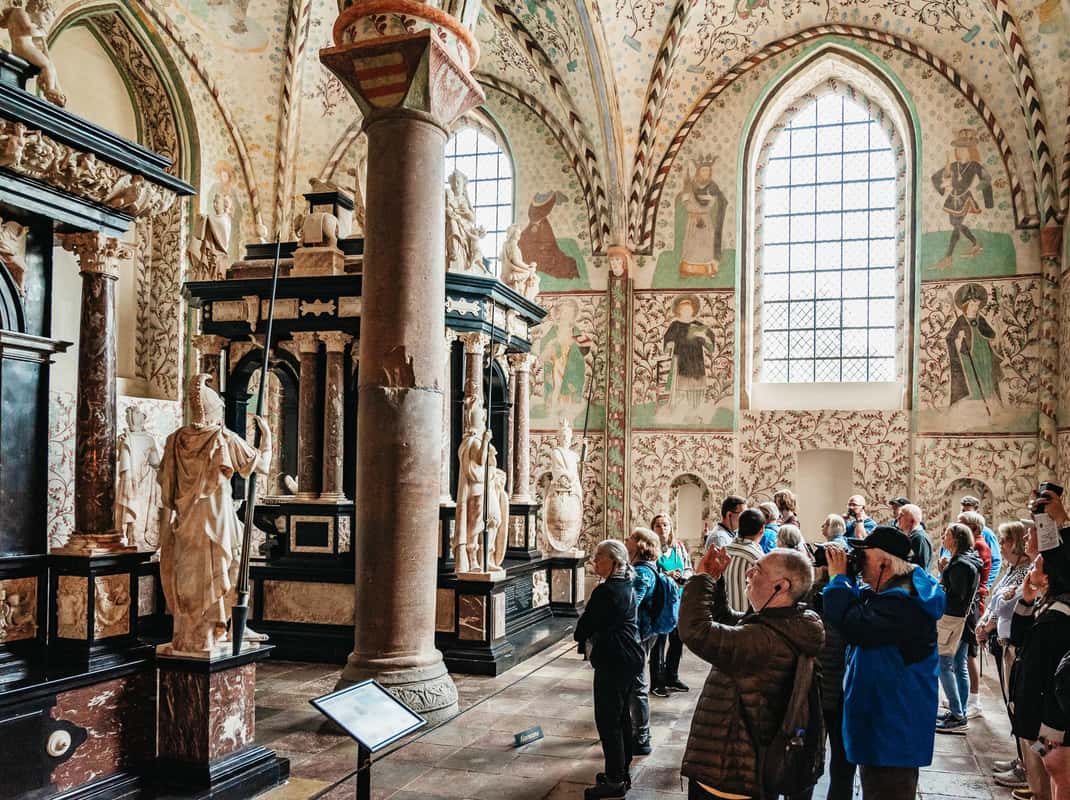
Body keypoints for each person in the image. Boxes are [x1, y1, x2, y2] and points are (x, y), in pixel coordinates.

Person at [679, 545, 823, 799]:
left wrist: (701, 579)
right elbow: (726, 621)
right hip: (743, 763)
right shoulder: (787, 621)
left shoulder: (763, 639)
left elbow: (697, 631)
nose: (748, 573)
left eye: (757, 570)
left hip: (731, 770)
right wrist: (717, 580)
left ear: (781, 586)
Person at [822, 526, 946, 799]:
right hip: (885, 724)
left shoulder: (905, 602)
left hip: (891, 735)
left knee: (886, 790)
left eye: (863, 557)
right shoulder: (899, 590)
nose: (859, 563)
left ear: (884, 563)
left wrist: (838, 580)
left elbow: (854, 625)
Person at [157, 374, 273, 655]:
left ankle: (194, 635)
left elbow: (167, 488)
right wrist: (267, 436)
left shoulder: (175, 440)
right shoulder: (223, 438)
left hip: (186, 521)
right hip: (217, 522)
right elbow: (263, 466)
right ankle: (219, 629)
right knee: (229, 570)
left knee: (191, 577)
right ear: (214, 410)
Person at [575, 539, 645, 800]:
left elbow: (584, 627)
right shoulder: (625, 584)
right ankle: (621, 771)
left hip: (614, 659)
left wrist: (583, 631)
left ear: (615, 561)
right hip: (630, 657)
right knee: (621, 717)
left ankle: (615, 780)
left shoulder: (606, 592)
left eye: (599, 557)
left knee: (608, 721)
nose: (595, 561)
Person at [977, 521, 1033, 790]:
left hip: (1013, 643)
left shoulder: (1026, 570)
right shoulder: (1013, 569)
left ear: (1015, 542)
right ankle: (1021, 759)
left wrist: (988, 623)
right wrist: (986, 620)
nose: (999, 544)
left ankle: (1026, 767)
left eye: (1002, 540)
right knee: (1010, 703)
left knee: (1016, 706)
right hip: (1002, 641)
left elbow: (1008, 604)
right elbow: (998, 599)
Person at [934, 523, 983, 734]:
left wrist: (941, 581)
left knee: (944, 664)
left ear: (954, 539)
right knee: (958, 664)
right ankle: (958, 710)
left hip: (952, 620)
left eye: (946, 534)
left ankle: (957, 714)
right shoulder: (968, 559)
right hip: (965, 619)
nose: (943, 537)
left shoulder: (960, 564)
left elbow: (955, 596)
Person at [931, 129, 993, 270]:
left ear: (970, 150)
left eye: (964, 149)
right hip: (952, 198)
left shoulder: (974, 165)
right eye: (959, 149)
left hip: (964, 198)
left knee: (957, 225)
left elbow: (987, 179)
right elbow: (936, 177)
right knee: (955, 225)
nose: (961, 151)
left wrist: (978, 189)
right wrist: (942, 185)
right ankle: (975, 244)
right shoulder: (954, 166)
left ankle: (948, 257)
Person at [627, 527, 663, 755]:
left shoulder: (643, 573)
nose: (626, 541)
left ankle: (642, 737)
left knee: (638, 686)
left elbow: (632, 604)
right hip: (643, 632)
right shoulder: (646, 569)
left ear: (640, 545)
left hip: (639, 634)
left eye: (630, 538)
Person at [650, 514, 692, 697]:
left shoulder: (679, 547)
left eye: (665, 525)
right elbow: (649, 572)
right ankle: (657, 682)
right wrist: (666, 574)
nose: (662, 528)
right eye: (658, 525)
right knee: (659, 642)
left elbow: (689, 567)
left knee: (677, 639)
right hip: (661, 599)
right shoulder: (651, 549)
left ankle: (671, 676)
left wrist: (683, 575)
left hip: (678, 598)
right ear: (653, 528)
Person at [957, 510, 993, 718]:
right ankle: (965, 697)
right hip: (972, 603)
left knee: (969, 655)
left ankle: (974, 700)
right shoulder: (973, 546)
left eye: (962, 524)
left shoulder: (978, 546)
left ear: (975, 529)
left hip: (972, 605)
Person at [946, 283, 1003, 408]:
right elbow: (950, 338)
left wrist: (996, 335)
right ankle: (975, 394)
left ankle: (987, 393)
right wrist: (959, 338)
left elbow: (990, 334)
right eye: (972, 304)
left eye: (977, 305)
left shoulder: (980, 319)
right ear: (966, 306)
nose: (975, 307)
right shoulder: (961, 320)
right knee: (972, 372)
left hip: (983, 352)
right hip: (968, 352)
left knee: (985, 371)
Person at [662, 296, 716, 410]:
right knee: (680, 388)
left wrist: (704, 337)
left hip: (696, 361)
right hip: (680, 360)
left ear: (693, 310)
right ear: (678, 311)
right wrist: (669, 344)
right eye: (683, 309)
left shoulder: (698, 325)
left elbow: (710, 345)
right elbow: (667, 342)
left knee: (696, 389)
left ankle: (695, 410)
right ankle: (680, 410)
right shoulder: (675, 325)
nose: (686, 311)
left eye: (688, 309)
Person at [677, 156, 726, 278]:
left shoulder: (713, 186)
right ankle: (688, 270)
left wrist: (709, 203)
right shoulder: (691, 185)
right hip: (693, 219)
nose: (706, 173)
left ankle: (708, 270)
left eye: (708, 171)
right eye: (703, 170)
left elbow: (716, 203)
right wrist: (692, 207)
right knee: (692, 245)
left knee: (706, 244)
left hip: (705, 219)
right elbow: (685, 201)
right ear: (698, 171)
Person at [723, 509, 766, 613]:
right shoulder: (757, 558)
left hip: (724, 619)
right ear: (762, 530)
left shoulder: (723, 552)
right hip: (748, 621)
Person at [960, 495, 1001, 589]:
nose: (965, 515)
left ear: (977, 512)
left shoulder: (987, 534)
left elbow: (996, 560)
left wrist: (985, 586)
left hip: (974, 587)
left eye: (968, 512)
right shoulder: (956, 530)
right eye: (963, 511)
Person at [896, 503, 933, 571]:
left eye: (901, 515)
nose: (898, 518)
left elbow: (919, 569)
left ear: (912, 521)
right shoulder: (913, 536)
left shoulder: (918, 538)